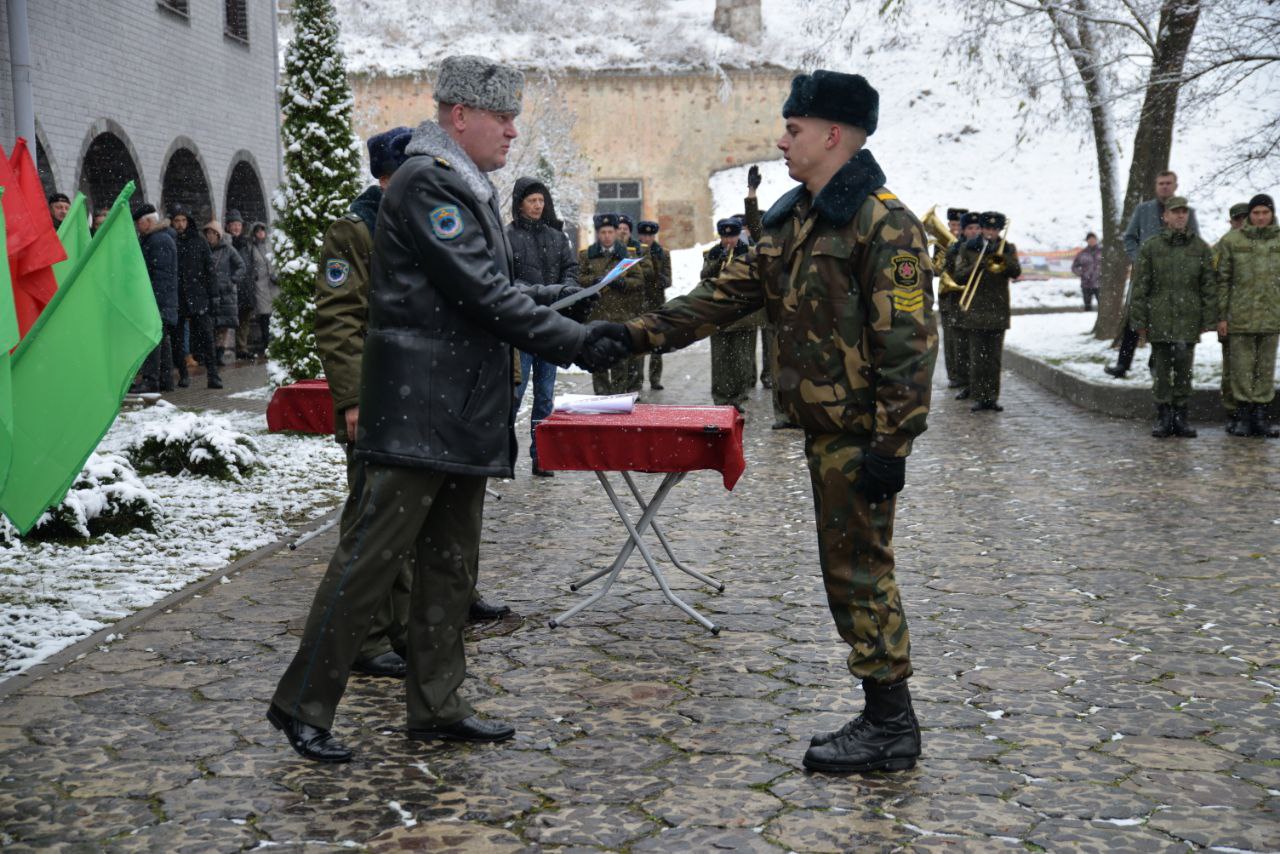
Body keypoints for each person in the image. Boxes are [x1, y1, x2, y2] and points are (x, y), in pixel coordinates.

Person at [267, 55, 628, 763]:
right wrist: (580, 340)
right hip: (417, 415)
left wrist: (561, 311)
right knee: (369, 562)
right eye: (503, 117)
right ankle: (301, 703)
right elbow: (484, 294)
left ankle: (437, 704)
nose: (513, 132)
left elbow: (485, 292)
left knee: (450, 568)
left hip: (456, 414)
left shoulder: (462, 185)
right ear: (459, 116)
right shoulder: (428, 183)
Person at [595, 70, 937, 773]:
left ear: (832, 135)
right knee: (846, 572)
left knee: (861, 574)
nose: (782, 141)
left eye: (794, 129)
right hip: (823, 432)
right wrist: (631, 335)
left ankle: (891, 727)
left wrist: (891, 444)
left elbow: (909, 345)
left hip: (859, 436)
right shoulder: (797, 219)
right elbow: (721, 298)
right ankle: (885, 718)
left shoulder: (883, 221)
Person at [507, 176, 580, 476]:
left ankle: (542, 456)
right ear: (520, 204)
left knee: (545, 396)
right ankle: (503, 456)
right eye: (532, 200)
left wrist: (568, 289)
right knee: (515, 395)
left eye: (541, 200)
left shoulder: (557, 237)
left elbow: (570, 268)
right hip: (523, 326)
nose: (538, 206)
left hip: (551, 325)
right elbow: (506, 279)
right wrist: (533, 295)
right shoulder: (508, 236)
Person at [1128, 197, 1215, 438]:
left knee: (1185, 371)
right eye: (1175, 212)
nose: (1180, 216)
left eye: (1183, 212)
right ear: (1165, 216)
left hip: (1188, 319)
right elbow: (1140, 287)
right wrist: (1140, 321)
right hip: (1160, 319)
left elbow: (1208, 284)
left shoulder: (1199, 248)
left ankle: (1181, 416)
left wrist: (1208, 319)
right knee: (1162, 371)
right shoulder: (1151, 247)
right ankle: (1164, 416)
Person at [1106, 171, 1201, 378]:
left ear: (1176, 185)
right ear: (1156, 186)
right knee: (1134, 319)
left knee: (1165, 321)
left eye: (1168, 183)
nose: (1165, 187)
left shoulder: (1186, 212)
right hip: (1144, 276)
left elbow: (1194, 240)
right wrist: (1139, 258)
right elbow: (1130, 237)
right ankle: (1123, 364)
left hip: (1174, 279)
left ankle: (1155, 364)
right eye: (1161, 183)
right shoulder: (1143, 209)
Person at [1216, 193, 1280, 438]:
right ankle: (1242, 416)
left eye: (1265, 212)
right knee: (1241, 370)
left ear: (1272, 214)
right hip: (1240, 317)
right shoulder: (1232, 241)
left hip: (1271, 316)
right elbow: (1223, 280)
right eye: (1256, 213)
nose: (1261, 217)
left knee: (1265, 369)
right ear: (1250, 215)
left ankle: (1260, 417)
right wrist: (1222, 316)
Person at [953, 211, 1020, 411]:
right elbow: (958, 276)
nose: (991, 232)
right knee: (977, 358)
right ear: (982, 229)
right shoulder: (968, 248)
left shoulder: (1008, 248)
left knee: (994, 359)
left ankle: (992, 397)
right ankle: (979, 396)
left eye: (995, 229)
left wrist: (1004, 259)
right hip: (975, 309)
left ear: (999, 230)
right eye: (987, 228)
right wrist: (979, 264)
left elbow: (1016, 272)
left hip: (998, 309)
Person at [580, 212, 646, 394]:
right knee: (597, 360)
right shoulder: (587, 256)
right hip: (597, 316)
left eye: (610, 232)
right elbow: (579, 279)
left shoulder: (626, 256)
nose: (607, 236)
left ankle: (618, 400)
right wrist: (593, 281)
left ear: (616, 232)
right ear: (597, 234)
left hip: (620, 315)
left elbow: (639, 281)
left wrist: (623, 283)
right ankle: (601, 399)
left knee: (619, 362)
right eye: (603, 232)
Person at [703, 218, 758, 411]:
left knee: (741, 361)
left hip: (743, 315)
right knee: (720, 360)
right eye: (725, 236)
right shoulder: (713, 253)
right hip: (719, 314)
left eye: (732, 236)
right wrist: (719, 260)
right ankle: (720, 398)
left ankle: (738, 397)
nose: (729, 241)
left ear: (738, 235)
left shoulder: (750, 253)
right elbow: (705, 276)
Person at [171, 206, 222, 389]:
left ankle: (213, 374)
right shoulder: (172, 241)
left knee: (207, 337)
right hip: (178, 297)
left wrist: (214, 295)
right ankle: (183, 374)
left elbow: (210, 271)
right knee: (177, 339)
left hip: (198, 296)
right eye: (177, 221)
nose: (180, 224)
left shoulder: (199, 242)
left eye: (183, 220)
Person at [133, 204, 179, 393]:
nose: (137, 227)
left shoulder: (158, 240)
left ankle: (152, 379)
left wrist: (153, 302)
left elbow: (161, 276)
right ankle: (165, 380)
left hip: (158, 301)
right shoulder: (157, 238)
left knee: (154, 340)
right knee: (162, 340)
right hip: (162, 300)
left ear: (150, 221)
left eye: (139, 223)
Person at [1214, 202, 1251, 431]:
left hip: (1256, 316)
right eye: (1237, 219)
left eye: (1245, 218)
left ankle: (1251, 411)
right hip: (1230, 316)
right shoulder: (1221, 247)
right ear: (1231, 221)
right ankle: (1232, 410)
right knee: (1231, 367)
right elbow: (1216, 281)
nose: (1242, 223)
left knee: (1254, 367)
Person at [944, 211, 980, 400]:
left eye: (977, 228)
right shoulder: (954, 248)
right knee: (961, 347)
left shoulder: (985, 247)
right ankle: (964, 382)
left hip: (979, 303)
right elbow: (949, 272)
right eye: (970, 228)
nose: (974, 231)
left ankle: (979, 385)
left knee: (977, 348)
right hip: (958, 300)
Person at [204, 220, 246, 367]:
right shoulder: (205, 249)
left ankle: (219, 355)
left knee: (223, 326)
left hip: (226, 294)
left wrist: (231, 281)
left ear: (217, 234)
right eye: (207, 233)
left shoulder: (228, 249)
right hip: (210, 293)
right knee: (210, 325)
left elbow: (241, 266)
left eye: (211, 233)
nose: (209, 236)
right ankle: (210, 354)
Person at [635, 220, 671, 391]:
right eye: (644, 235)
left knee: (657, 342)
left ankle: (655, 378)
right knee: (640, 342)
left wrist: (658, 278)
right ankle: (638, 379)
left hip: (656, 302)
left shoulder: (662, 253)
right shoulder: (635, 252)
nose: (647, 238)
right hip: (640, 302)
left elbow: (668, 279)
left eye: (650, 235)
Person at [225, 209, 256, 359]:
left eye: (238, 224)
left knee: (244, 320)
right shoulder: (226, 244)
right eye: (234, 224)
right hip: (232, 287)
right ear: (228, 227)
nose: (236, 227)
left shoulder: (246, 244)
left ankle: (242, 347)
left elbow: (250, 266)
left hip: (246, 287)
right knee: (230, 319)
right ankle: (227, 348)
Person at [247, 221, 276, 355]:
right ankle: (267, 344)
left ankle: (275, 343)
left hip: (274, 285)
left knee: (274, 315)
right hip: (260, 285)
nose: (260, 233)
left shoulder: (272, 245)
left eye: (262, 230)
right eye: (258, 231)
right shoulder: (251, 248)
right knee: (264, 316)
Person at [1072, 232, 1102, 311]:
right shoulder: (1082, 254)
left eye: (1093, 239)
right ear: (1087, 241)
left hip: (1099, 283)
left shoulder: (1102, 252)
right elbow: (1074, 267)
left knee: (1103, 306)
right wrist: (1082, 273)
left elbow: (1109, 266)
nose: (1092, 241)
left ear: (1096, 240)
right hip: (1086, 284)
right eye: (1090, 239)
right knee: (1087, 306)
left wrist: (1103, 275)